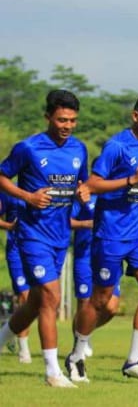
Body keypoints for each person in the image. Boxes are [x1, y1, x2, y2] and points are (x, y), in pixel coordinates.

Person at [66, 93, 138, 384]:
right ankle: (76, 355)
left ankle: (133, 361)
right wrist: (131, 180)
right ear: (136, 115)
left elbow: (137, 182)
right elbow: (93, 184)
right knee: (101, 301)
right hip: (111, 234)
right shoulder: (115, 146)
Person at [0, 89, 90, 388]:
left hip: (60, 236)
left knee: (36, 301)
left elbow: (83, 184)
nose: (67, 125)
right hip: (32, 235)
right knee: (51, 296)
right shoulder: (28, 148)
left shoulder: (79, 149)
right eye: (62, 119)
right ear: (48, 117)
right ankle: (53, 372)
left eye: (73, 120)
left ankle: (2, 339)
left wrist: (84, 191)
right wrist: (27, 195)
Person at [69, 191, 121, 360]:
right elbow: (65, 221)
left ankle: (85, 331)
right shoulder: (83, 195)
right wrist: (86, 224)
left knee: (111, 307)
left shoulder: (117, 195)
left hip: (109, 255)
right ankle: (79, 346)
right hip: (85, 256)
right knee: (84, 303)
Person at [0, 190, 31, 364]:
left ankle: (7, 329)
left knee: (39, 300)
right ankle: (24, 350)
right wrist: (10, 226)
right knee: (25, 298)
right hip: (16, 253)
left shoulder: (43, 187)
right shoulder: (8, 192)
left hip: (38, 251)